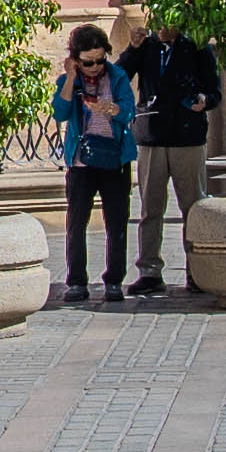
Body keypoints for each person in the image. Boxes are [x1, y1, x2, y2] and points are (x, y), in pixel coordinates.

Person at [127, 19, 224, 301]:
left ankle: (197, 271)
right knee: (150, 208)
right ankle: (149, 272)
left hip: (187, 137)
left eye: (165, 23)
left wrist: (204, 100)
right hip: (153, 138)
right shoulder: (147, 47)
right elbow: (121, 73)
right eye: (155, 22)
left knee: (193, 207)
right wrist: (133, 49)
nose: (159, 29)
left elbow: (215, 91)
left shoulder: (197, 47)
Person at [51, 23, 138, 304]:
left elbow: (128, 111)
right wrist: (70, 77)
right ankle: (76, 281)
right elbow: (61, 112)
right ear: (76, 59)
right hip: (81, 161)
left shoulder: (117, 76)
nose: (96, 66)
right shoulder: (71, 80)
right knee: (76, 223)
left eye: (100, 59)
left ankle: (114, 281)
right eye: (88, 62)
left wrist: (112, 109)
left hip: (114, 159)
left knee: (117, 222)